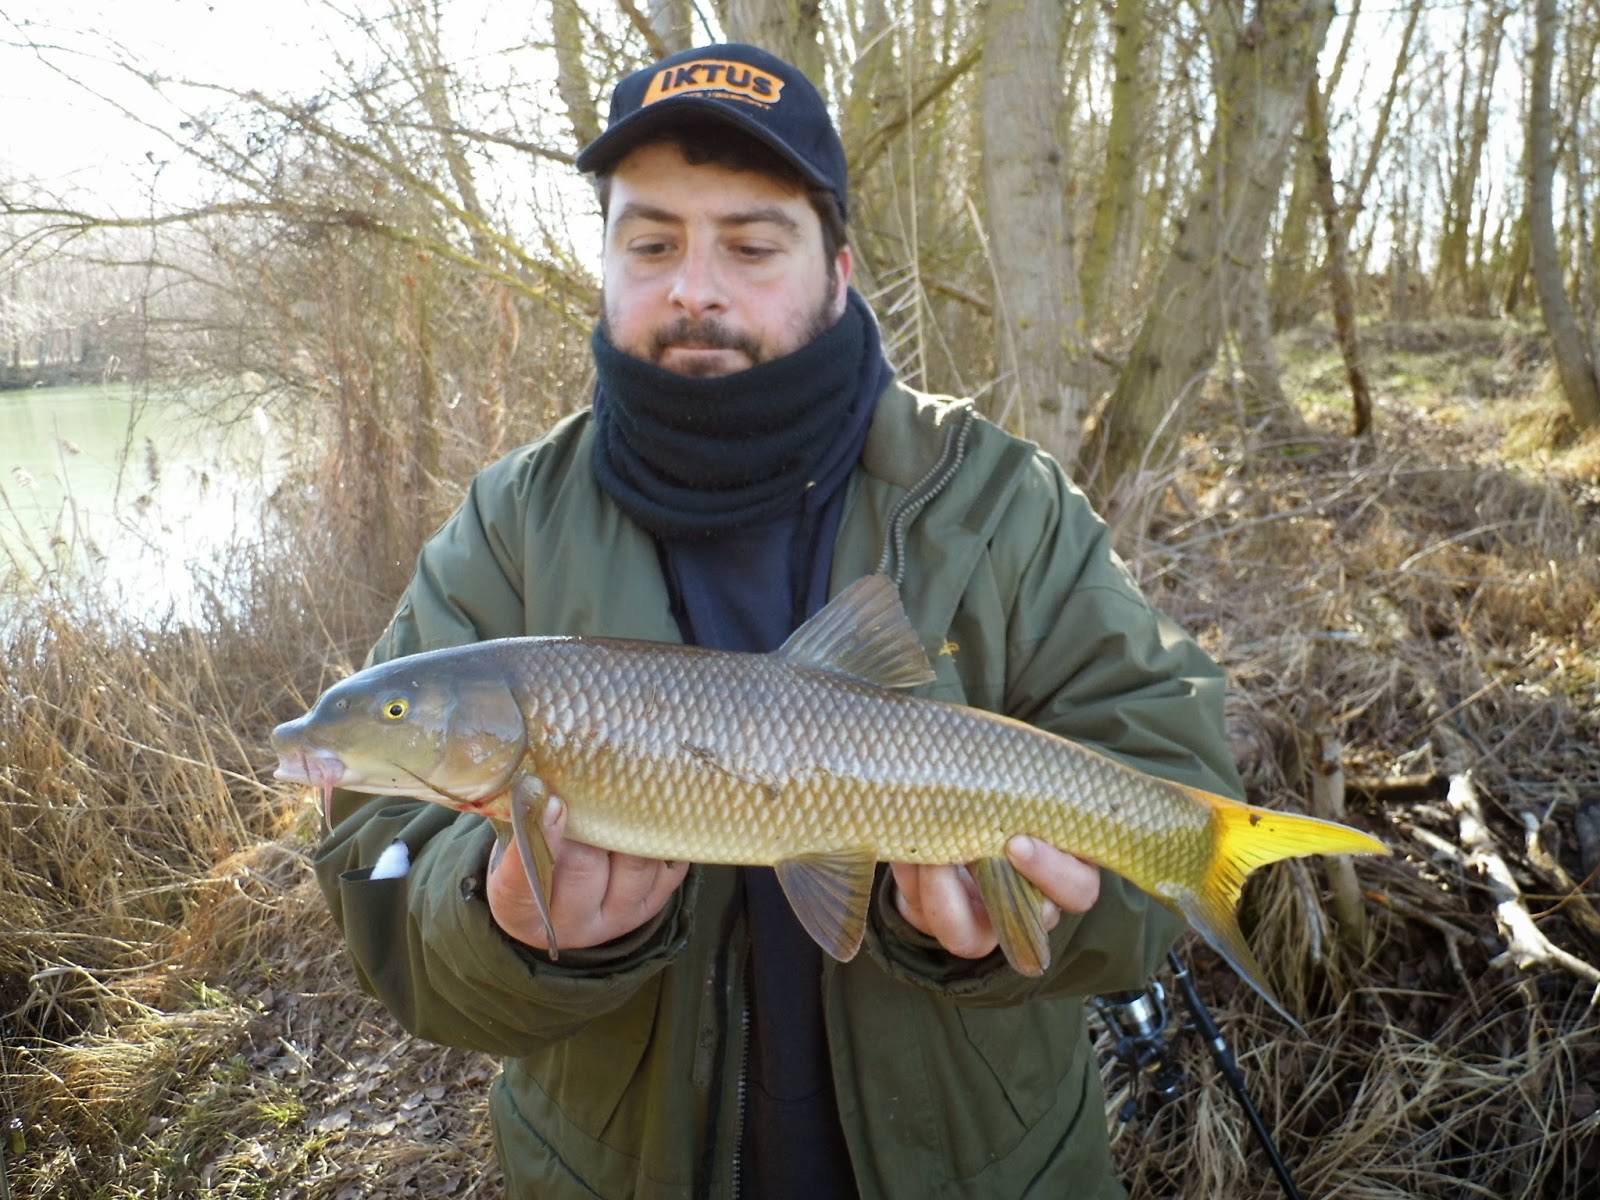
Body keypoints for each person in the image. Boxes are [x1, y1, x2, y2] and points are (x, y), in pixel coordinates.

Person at [313, 41, 1243, 1200]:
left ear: (838, 270)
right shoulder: (510, 523)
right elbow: (375, 872)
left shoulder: (1002, 499)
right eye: (650, 242)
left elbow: (1161, 774)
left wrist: (1031, 923)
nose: (694, 286)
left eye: (751, 245)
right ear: (604, 264)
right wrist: (505, 930)